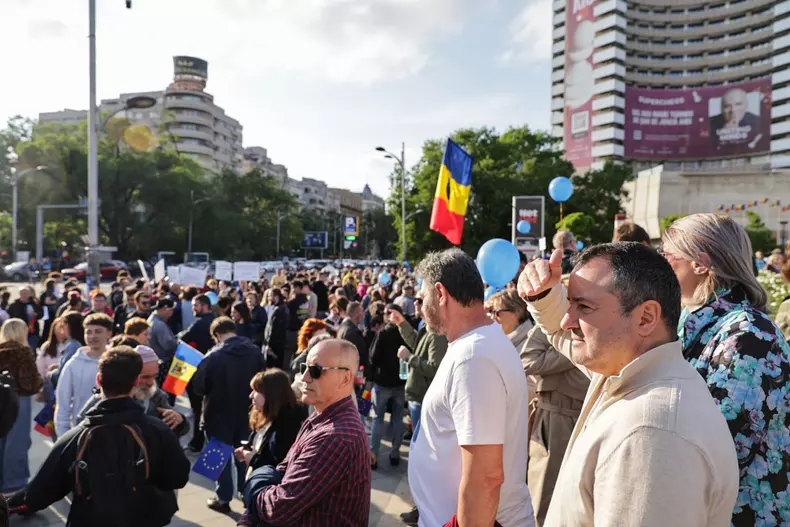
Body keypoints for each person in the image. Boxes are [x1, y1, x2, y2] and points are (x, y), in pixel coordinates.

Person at [519, 243, 739, 525]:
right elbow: (561, 332)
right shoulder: (626, 372)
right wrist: (544, 294)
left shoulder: (652, 432)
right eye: (570, 303)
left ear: (646, 318)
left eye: (583, 306)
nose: (566, 320)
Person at [661, 214, 790, 526]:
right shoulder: (689, 319)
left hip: (745, 514)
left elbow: (725, 444)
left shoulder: (748, 333)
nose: (659, 263)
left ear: (701, 264)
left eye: (666, 254)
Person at [409, 249, 534, 527]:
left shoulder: (474, 357)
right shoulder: (474, 347)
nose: (421, 305)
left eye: (424, 295)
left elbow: (486, 477)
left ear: (440, 294)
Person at [13, 346, 191, 526]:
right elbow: (178, 477)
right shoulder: (157, 429)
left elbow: (41, 489)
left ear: (99, 380)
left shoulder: (78, 435)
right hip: (145, 518)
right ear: (136, 381)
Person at [238, 339, 370, 526]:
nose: (305, 377)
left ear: (345, 378)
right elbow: (281, 472)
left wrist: (254, 481)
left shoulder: (335, 437)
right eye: (304, 368)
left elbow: (277, 508)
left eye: (316, 370)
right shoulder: (320, 418)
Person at [191, 317, 266, 513]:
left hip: (217, 414)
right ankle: (247, 493)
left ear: (216, 335)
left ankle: (223, 498)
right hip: (248, 413)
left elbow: (199, 387)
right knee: (245, 454)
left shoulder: (213, 356)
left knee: (218, 457)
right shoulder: (254, 351)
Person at [519, 324, 589, 526]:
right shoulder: (562, 323)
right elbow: (528, 361)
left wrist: (547, 324)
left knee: (555, 505)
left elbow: (528, 361)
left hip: (567, 419)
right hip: (558, 417)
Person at [77, 344, 188, 437]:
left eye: (154, 376)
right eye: (145, 377)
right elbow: (80, 425)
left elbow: (177, 430)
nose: (150, 383)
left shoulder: (156, 396)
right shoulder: (108, 396)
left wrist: (180, 420)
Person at [236, 369, 305, 485]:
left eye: (256, 391)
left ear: (272, 395)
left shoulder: (288, 426)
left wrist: (252, 458)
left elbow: (279, 465)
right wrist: (247, 449)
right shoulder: (263, 413)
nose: (250, 395)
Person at [0, 319, 43, 493]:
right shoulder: (23, 352)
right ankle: (15, 482)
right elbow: (31, 384)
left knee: (2, 441)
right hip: (19, 400)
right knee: (18, 441)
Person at [55, 314, 112, 437]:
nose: (93, 336)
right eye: (89, 332)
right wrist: (63, 435)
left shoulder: (117, 361)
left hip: (112, 430)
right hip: (82, 431)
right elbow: (63, 404)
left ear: (109, 333)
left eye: (98, 332)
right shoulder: (73, 364)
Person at [368, 304, 408, 469]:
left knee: (378, 418)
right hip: (399, 381)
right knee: (397, 419)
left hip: (384, 381)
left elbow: (373, 357)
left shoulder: (383, 333)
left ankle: (374, 455)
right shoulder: (405, 332)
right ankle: (394, 452)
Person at [336, 302, 369, 377]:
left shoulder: (343, 326)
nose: (363, 314)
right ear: (356, 313)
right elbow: (359, 355)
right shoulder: (352, 332)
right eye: (361, 311)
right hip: (353, 373)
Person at [264, 287, 289, 370]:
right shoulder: (282, 308)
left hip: (275, 346)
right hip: (279, 344)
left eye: (270, 296)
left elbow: (274, 329)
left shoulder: (279, 310)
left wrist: (269, 345)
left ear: (276, 296)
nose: (268, 298)